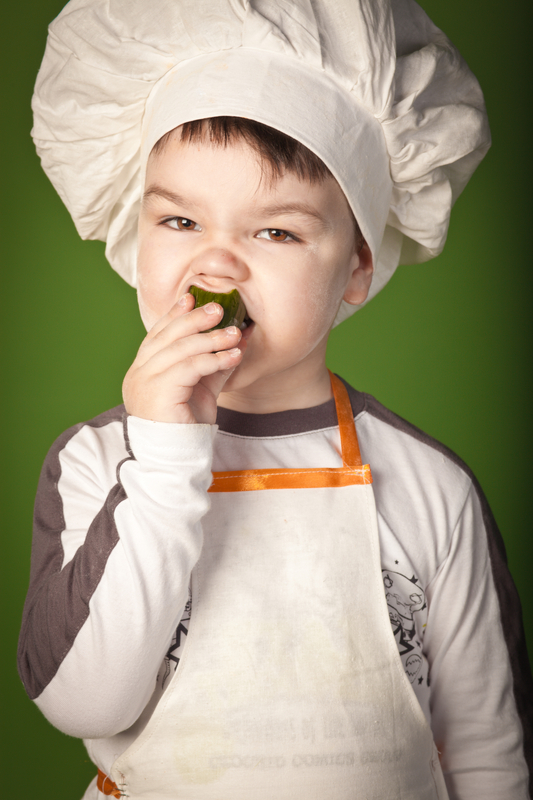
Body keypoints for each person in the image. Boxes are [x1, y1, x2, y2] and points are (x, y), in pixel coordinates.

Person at [17, 0, 532, 798]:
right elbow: (83, 701)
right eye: (180, 220)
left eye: (276, 232)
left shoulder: (431, 485)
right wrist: (164, 455)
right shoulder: (95, 461)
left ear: (356, 266)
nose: (215, 265)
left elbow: (488, 750)